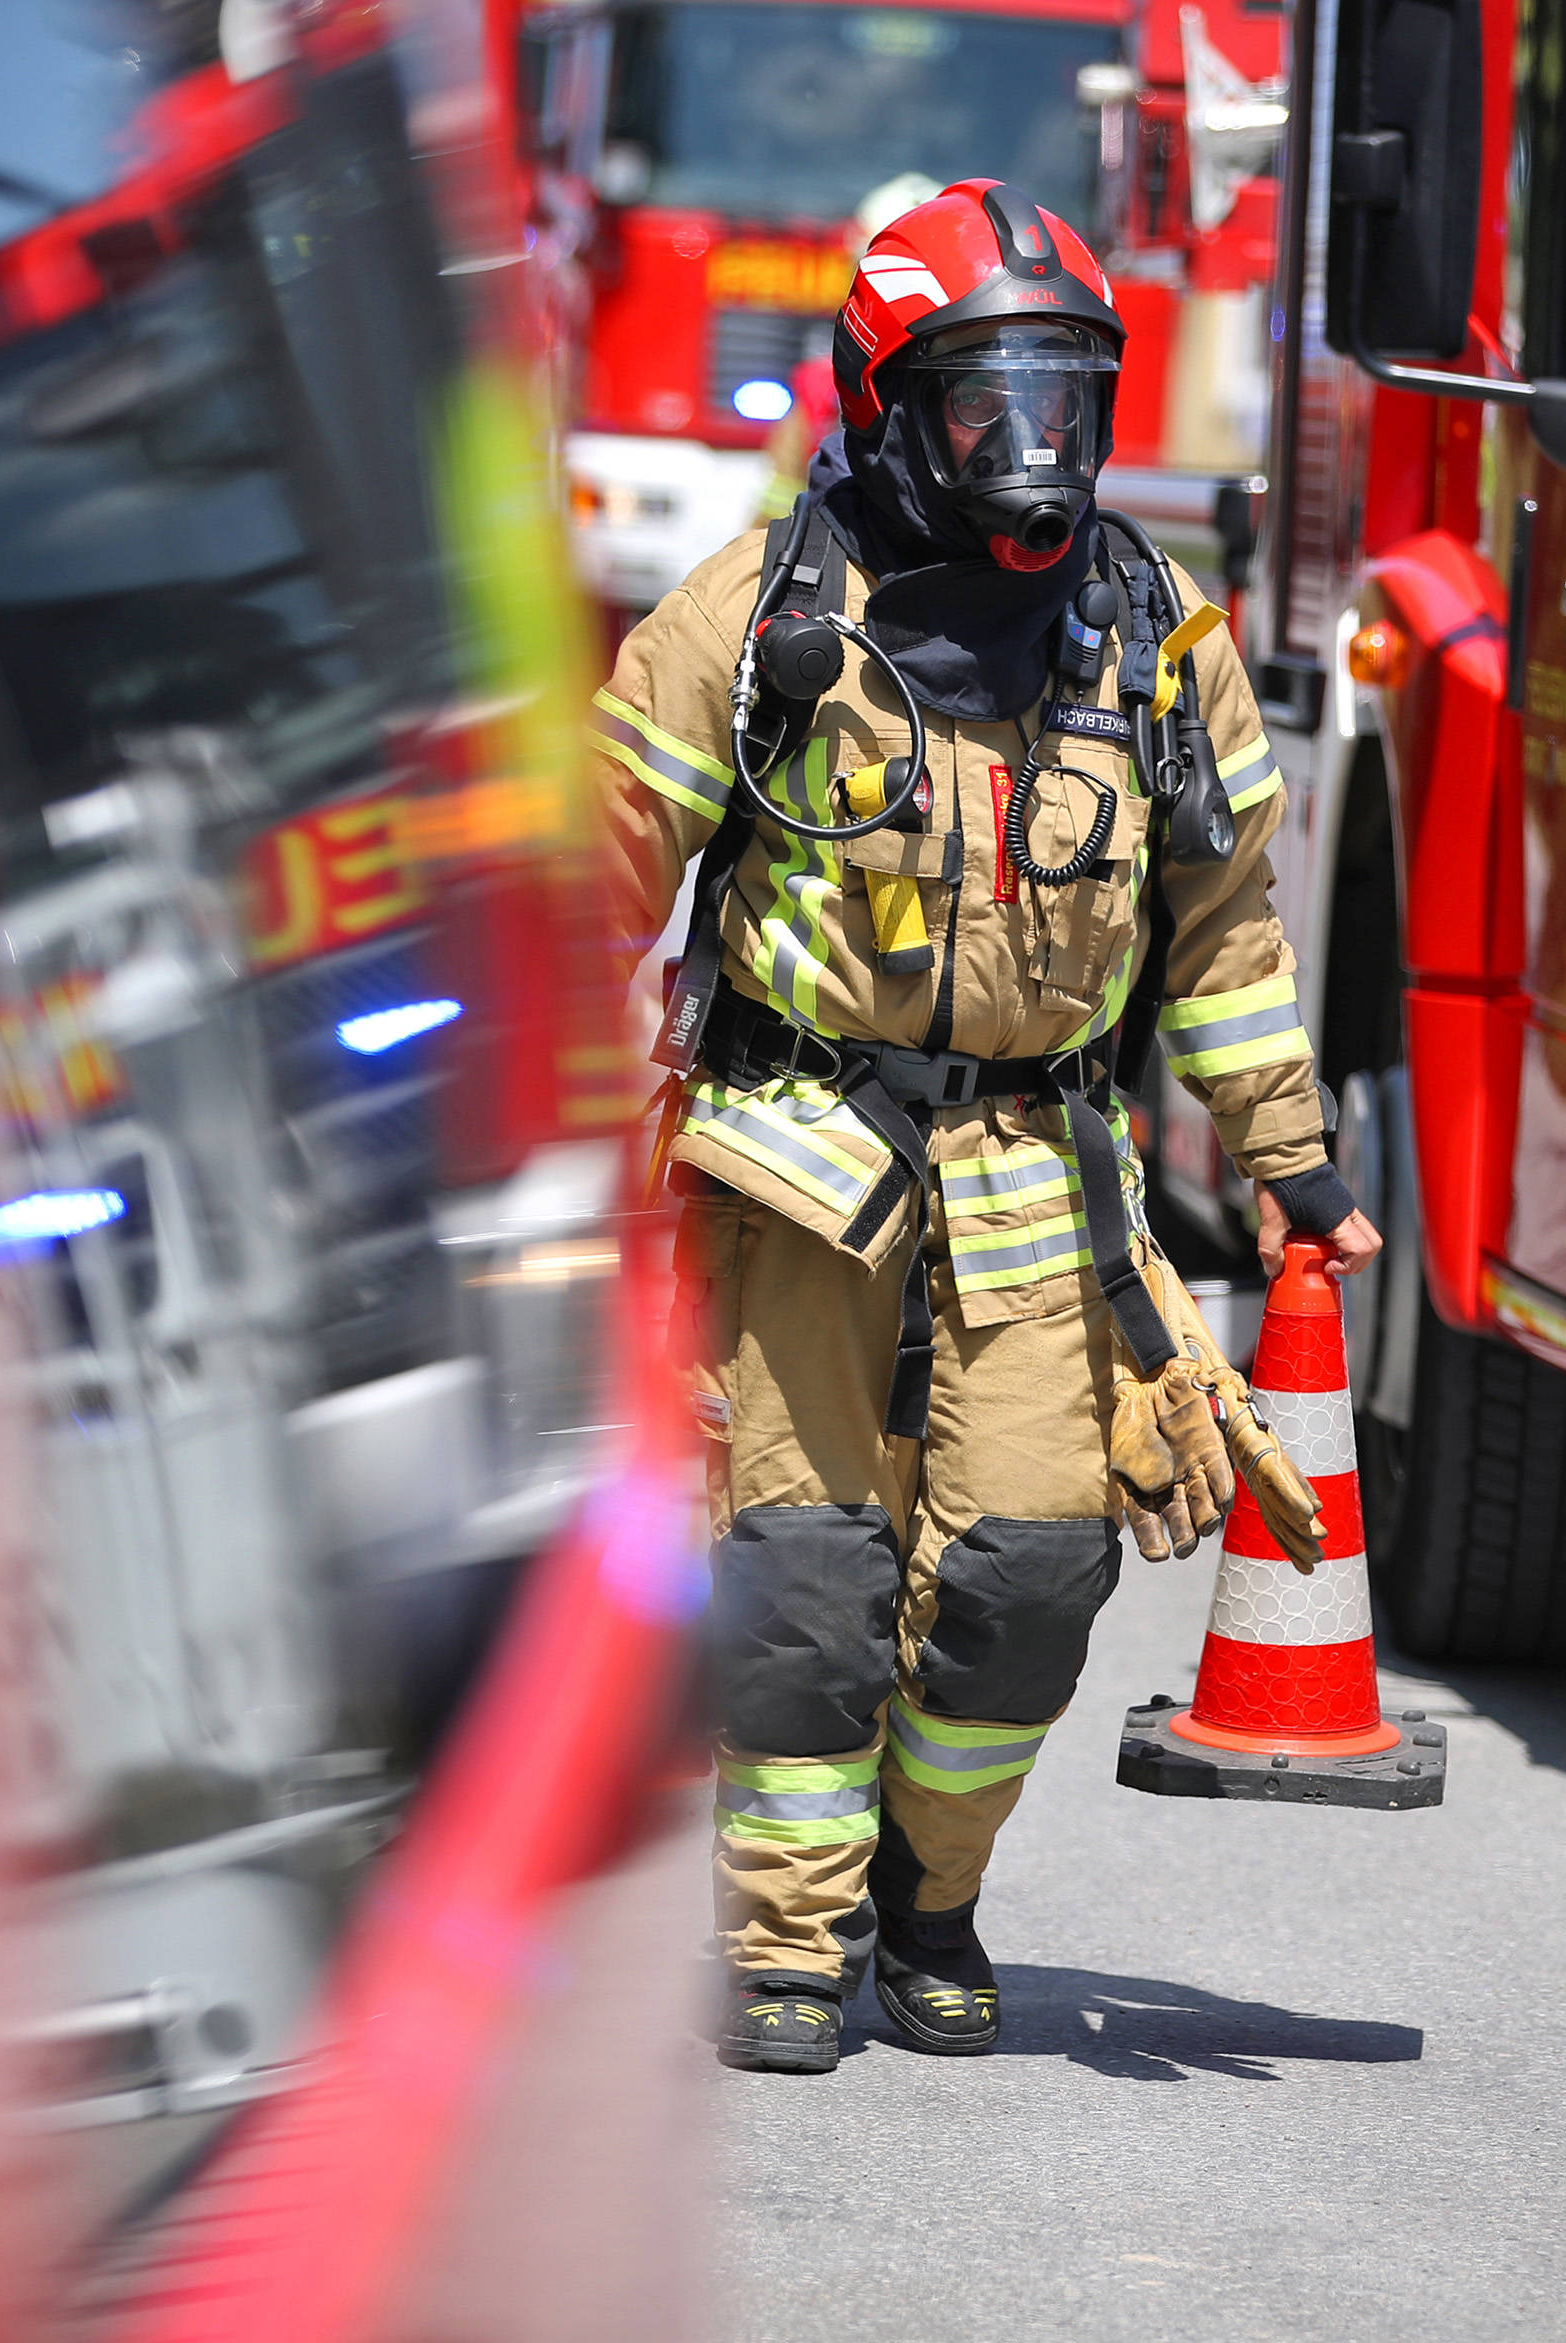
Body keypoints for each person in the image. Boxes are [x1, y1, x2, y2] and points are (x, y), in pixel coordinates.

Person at [588, 179, 1381, 2075]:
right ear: (890, 408)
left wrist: (1286, 1159)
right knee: (802, 1579)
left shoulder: (1147, 632)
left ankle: (926, 1895)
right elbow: (583, 872)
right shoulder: (760, 615)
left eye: (1064, 397)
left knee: (1031, 1574)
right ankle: (786, 1945)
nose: (1034, 447)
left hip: (1041, 1173)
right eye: (981, 401)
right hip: (792, 1166)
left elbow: (1225, 927)